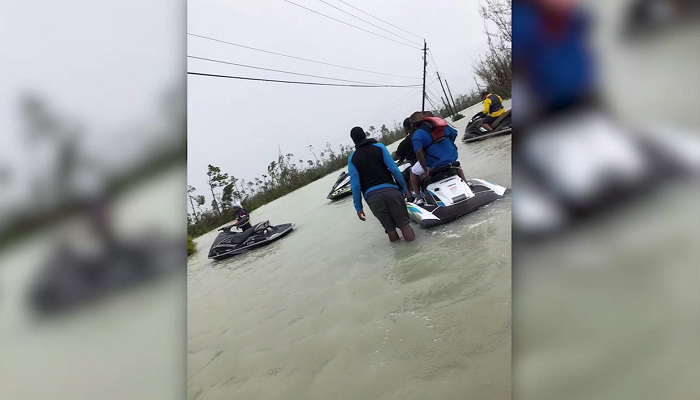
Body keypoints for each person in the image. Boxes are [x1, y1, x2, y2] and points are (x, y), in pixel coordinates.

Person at [348, 127, 415, 242]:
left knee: (390, 229)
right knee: (404, 225)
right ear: (365, 135)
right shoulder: (379, 147)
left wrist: (358, 207)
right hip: (391, 191)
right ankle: (416, 250)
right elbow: (394, 169)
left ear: (353, 141)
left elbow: (355, 185)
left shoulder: (352, 159)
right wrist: (404, 188)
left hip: (373, 198)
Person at [410, 111, 468, 205]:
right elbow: (454, 135)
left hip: (433, 163)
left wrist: (425, 170)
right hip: (451, 158)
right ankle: (466, 182)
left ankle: (419, 198)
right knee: (456, 164)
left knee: (413, 171)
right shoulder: (443, 126)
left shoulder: (418, 133)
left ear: (415, 125)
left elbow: (419, 152)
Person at [391, 118, 418, 195]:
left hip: (416, 163)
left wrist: (392, 155)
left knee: (402, 175)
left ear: (406, 128)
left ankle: (410, 197)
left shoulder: (406, 142)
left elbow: (396, 156)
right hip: (429, 160)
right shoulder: (422, 134)